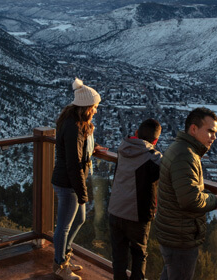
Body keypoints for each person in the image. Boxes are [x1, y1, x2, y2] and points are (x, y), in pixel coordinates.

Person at [153, 107, 217, 280]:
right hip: (180, 237)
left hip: (172, 230)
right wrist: (214, 200)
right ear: (193, 129)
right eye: (210, 131)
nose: (214, 137)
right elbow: (190, 199)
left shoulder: (180, 148)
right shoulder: (186, 156)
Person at [52, 78, 104, 280]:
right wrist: (82, 192)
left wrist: (93, 147)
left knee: (79, 219)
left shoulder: (76, 123)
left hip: (69, 181)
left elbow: (79, 149)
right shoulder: (73, 127)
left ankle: (64, 256)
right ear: (86, 107)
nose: (96, 110)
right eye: (95, 107)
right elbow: (73, 163)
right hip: (68, 183)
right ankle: (59, 265)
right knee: (63, 227)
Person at [108, 118, 163, 280]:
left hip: (115, 210)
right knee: (139, 256)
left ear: (137, 133)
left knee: (118, 258)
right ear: (155, 140)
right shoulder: (154, 159)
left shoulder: (122, 148)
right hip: (137, 216)